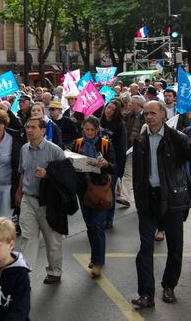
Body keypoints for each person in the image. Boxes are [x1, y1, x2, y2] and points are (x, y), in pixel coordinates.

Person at [131, 101, 191, 308]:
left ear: (163, 115)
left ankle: (169, 286)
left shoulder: (177, 138)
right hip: (148, 201)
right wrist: (139, 200)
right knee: (145, 249)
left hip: (173, 200)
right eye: (146, 114)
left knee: (175, 248)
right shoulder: (140, 140)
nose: (148, 117)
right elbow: (138, 174)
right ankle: (146, 294)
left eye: (152, 113)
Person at [15, 118, 67, 284]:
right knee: (27, 238)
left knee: (52, 239)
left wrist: (48, 174)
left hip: (49, 202)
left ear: (43, 131)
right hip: (28, 199)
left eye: (33, 127)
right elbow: (22, 172)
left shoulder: (55, 151)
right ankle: (24, 275)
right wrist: (18, 193)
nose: (29, 130)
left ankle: (54, 271)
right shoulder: (24, 149)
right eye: (27, 127)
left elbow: (67, 177)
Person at [69, 116, 116, 278]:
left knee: (97, 225)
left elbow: (115, 167)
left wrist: (106, 164)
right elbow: (67, 156)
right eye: (86, 129)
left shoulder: (105, 144)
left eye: (92, 130)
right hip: (83, 190)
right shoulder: (78, 144)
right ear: (83, 129)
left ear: (97, 130)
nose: (89, 133)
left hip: (100, 189)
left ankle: (98, 262)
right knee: (90, 225)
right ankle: (95, 255)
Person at [99, 99, 128, 226]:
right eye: (108, 107)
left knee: (109, 192)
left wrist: (119, 170)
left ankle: (109, 219)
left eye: (112, 109)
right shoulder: (100, 121)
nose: (109, 110)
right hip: (98, 159)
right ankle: (100, 215)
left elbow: (122, 148)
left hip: (112, 162)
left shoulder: (120, 125)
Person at [119, 95, 145, 208]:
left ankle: (143, 199)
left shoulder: (147, 114)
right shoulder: (129, 116)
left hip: (143, 150)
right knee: (128, 172)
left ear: (138, 105)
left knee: (142, 174)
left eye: (132, 103)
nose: (129, 105)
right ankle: (124, 197)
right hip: (130, 148)